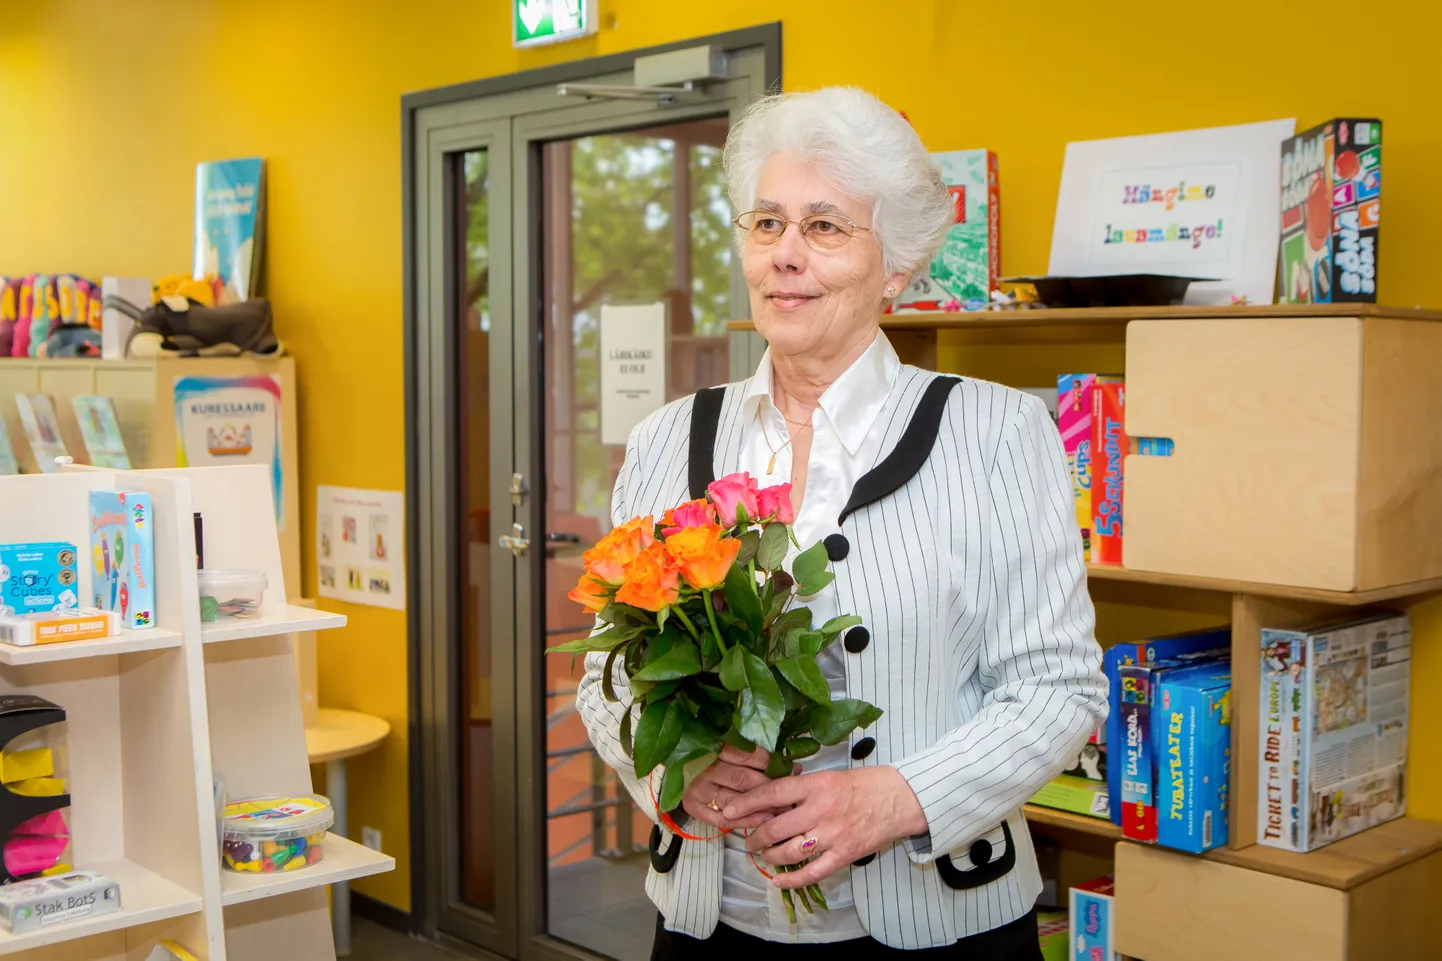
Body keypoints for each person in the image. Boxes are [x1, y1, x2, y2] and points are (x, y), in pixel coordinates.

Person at [576, 86, 1106, 959]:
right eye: (767, 223)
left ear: (893, 267)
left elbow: (1059, 687)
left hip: (940, 929)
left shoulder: (998, 433)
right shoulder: (667, 439)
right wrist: (676, 768)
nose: (787, 254)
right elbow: (605, 667)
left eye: (825, 227)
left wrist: (895, 797)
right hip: (712, 922)